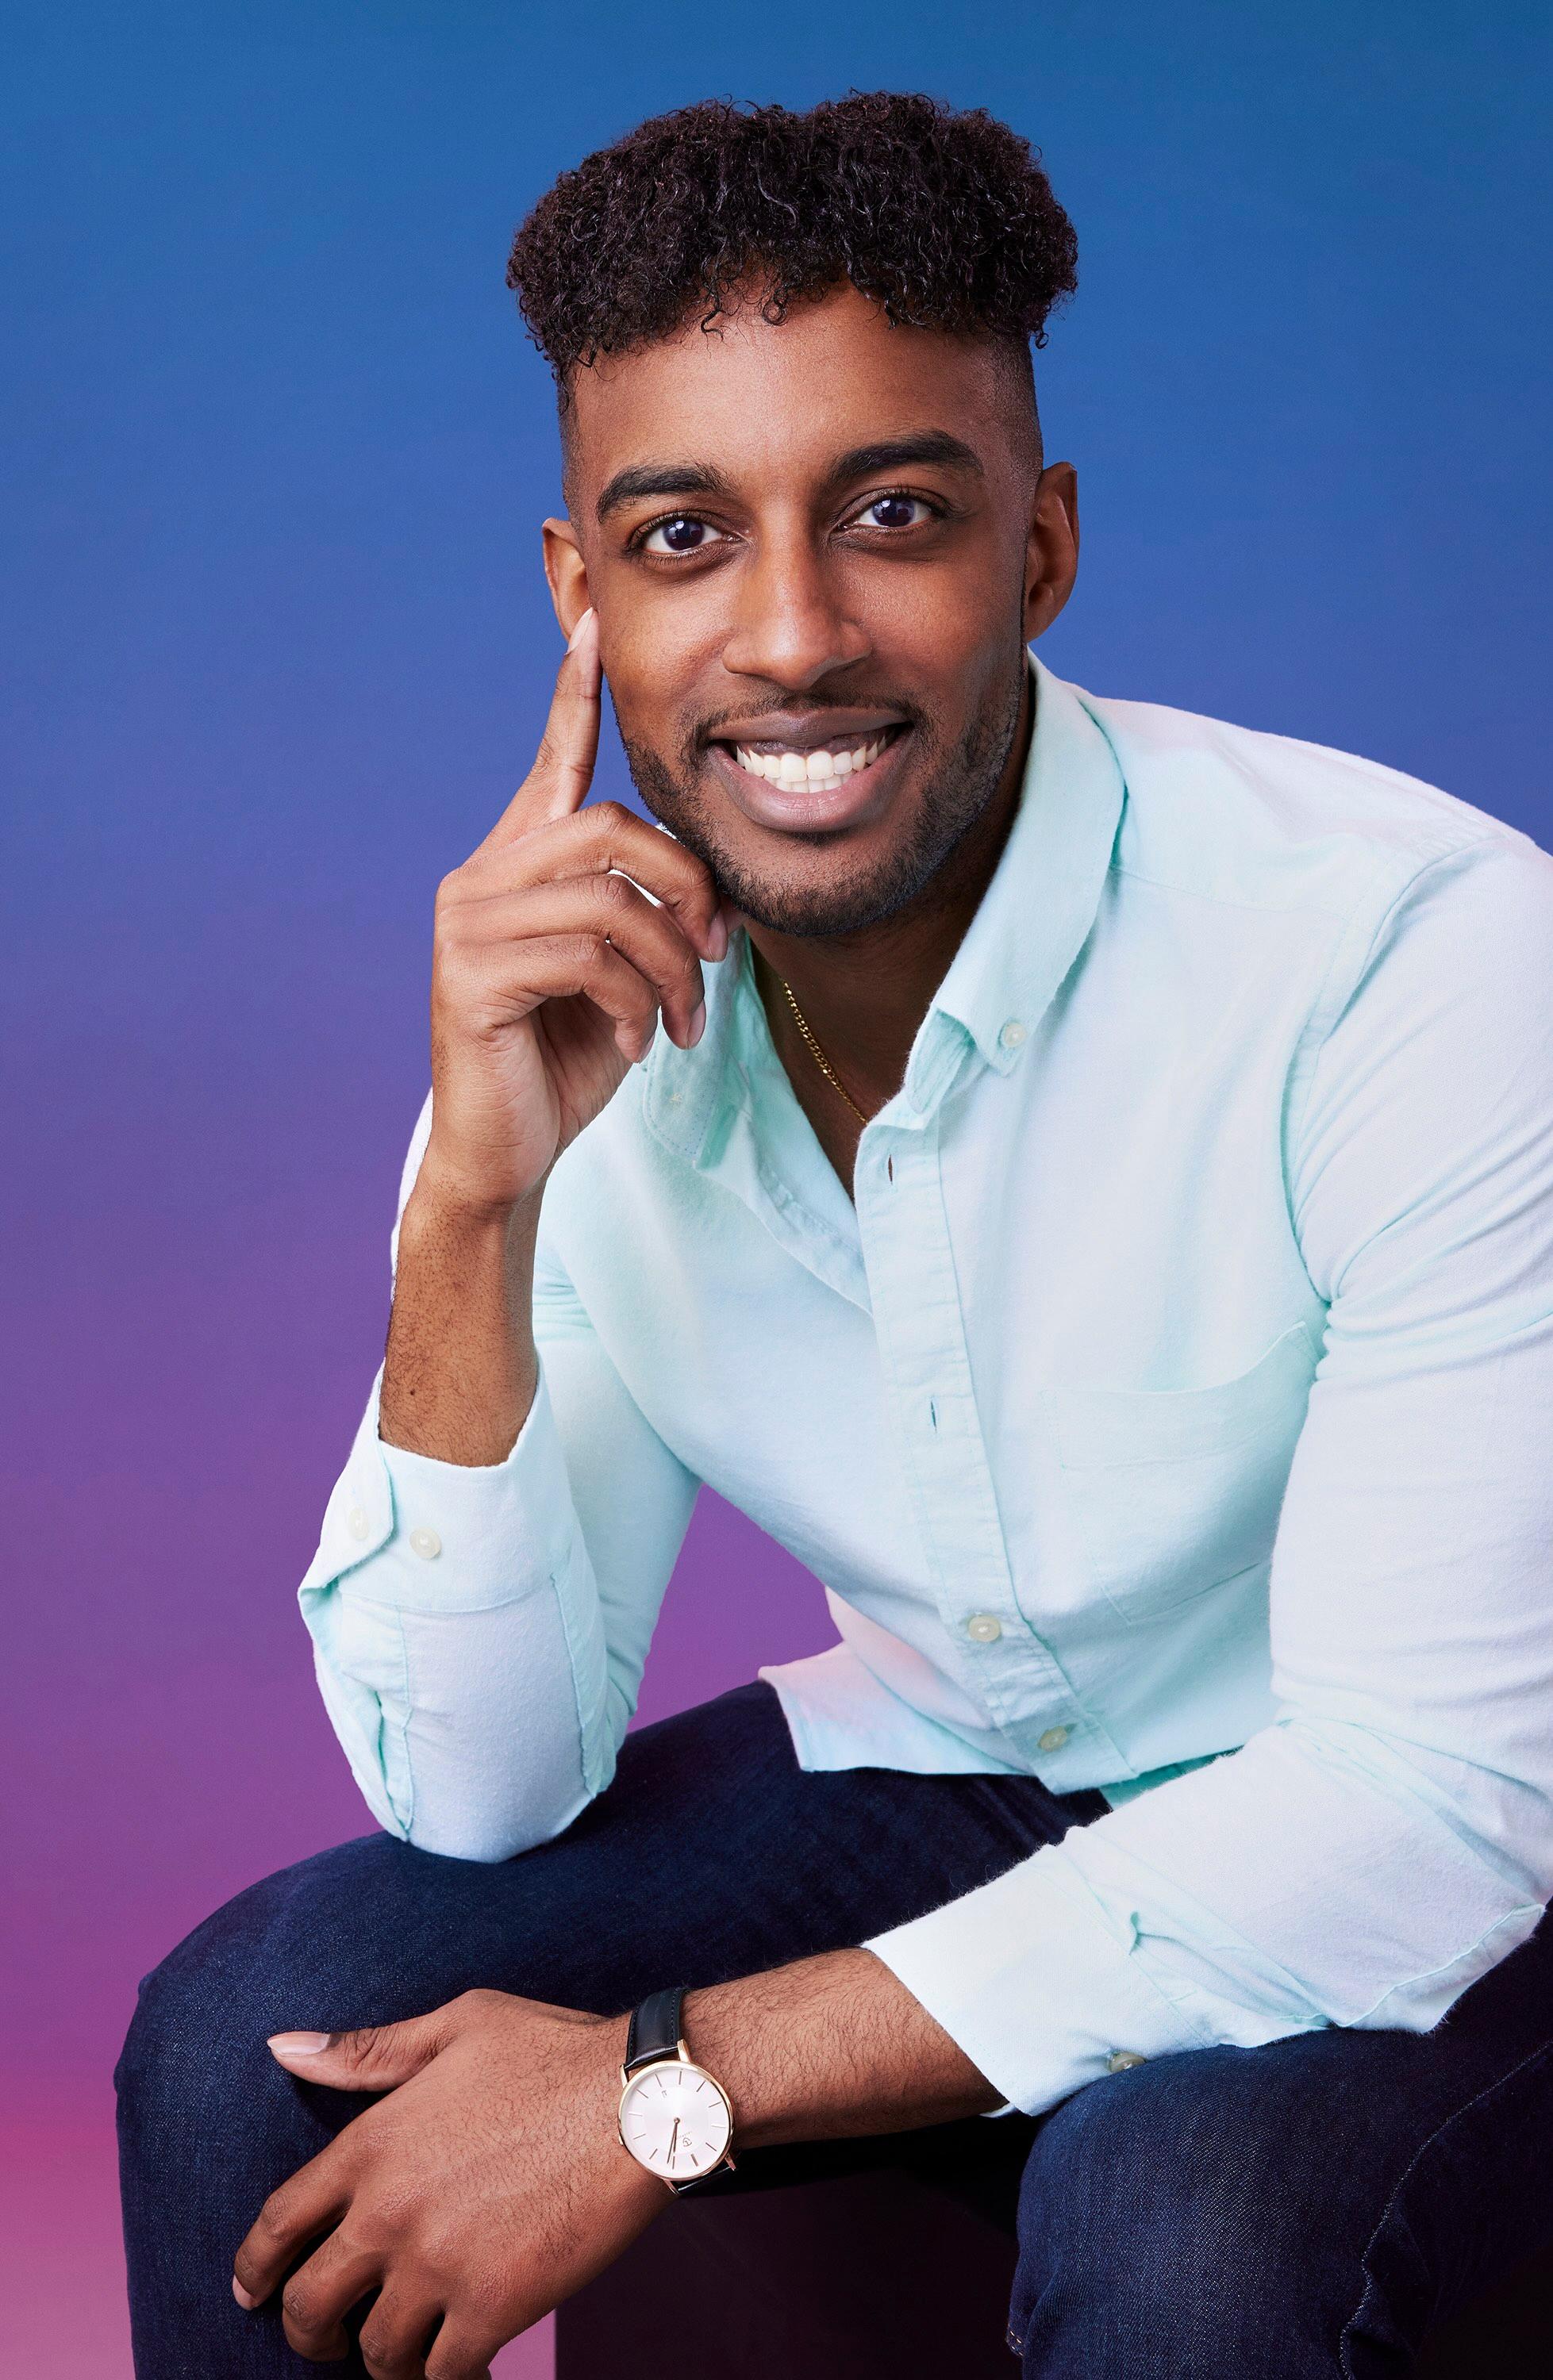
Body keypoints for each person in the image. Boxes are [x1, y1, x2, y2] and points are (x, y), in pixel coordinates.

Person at [117, 92, 1553, 2379]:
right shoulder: (569, 1018)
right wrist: (477, 1204)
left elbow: (1419, 1814)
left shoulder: (1417, 958)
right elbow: (477, 1789)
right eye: (686, 535)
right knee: (252, 2046)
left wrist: (660, 2090)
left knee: (1183, 2214)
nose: (792, 635)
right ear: (585, 593)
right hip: (982, 1749)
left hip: (1476, 1825)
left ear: (1044, 548)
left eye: (894, 514)